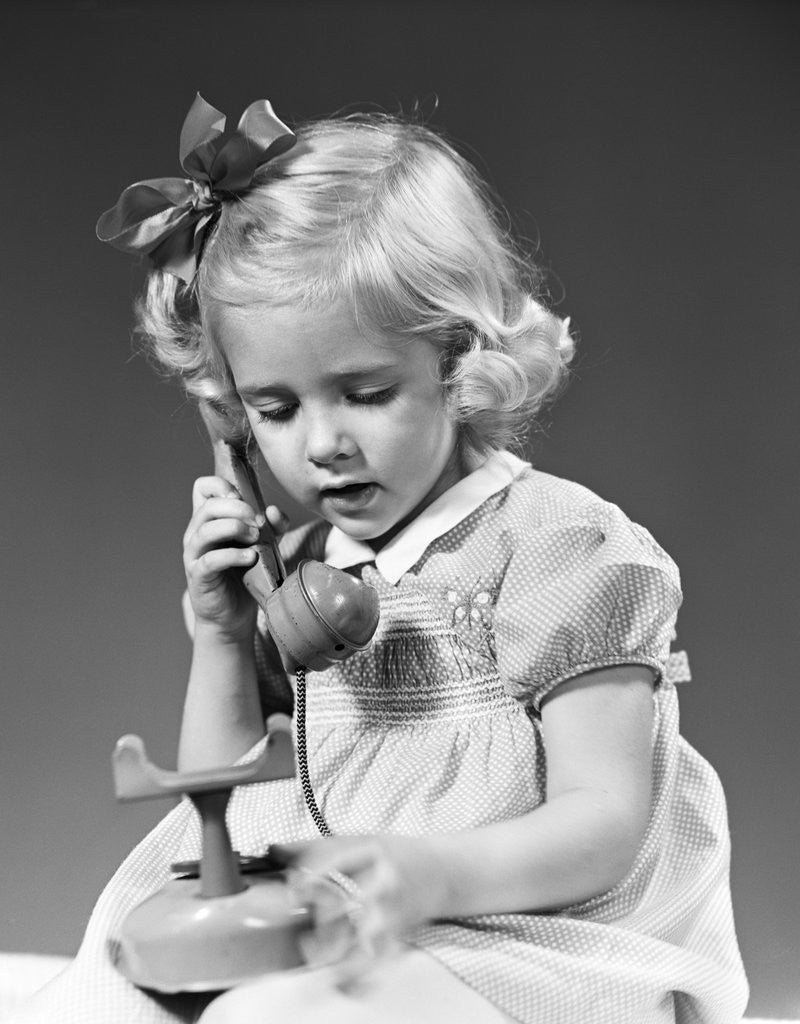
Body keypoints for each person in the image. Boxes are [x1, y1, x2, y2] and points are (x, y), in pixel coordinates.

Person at [14, 94, 747, 1024]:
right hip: (354, 932)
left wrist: (419, 873)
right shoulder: (307, 570)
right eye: (274, 411)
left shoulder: (560, 548)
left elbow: (603, 827)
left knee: (268, 1018)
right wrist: (219, 635)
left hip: (530, 948)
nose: (321, 444)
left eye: (363, 392)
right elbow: (224, 812)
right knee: (95, 1003)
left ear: (458, 359)